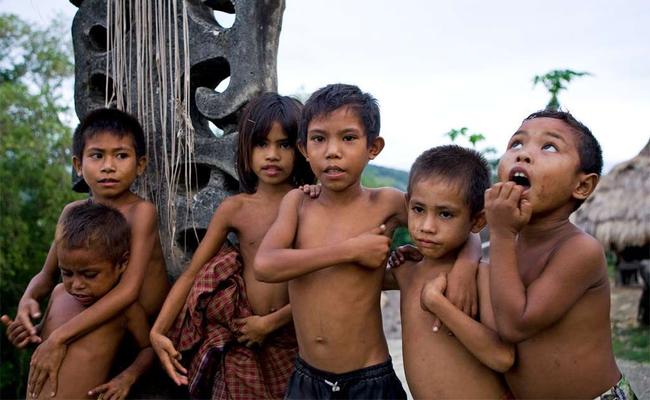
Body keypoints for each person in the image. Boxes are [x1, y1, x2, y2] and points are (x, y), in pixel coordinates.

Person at [254, 83, 481, 399]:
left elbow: (461, 225)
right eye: (319, 139)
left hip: (369, 380)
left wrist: (466, 268)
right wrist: (348, 251)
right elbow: (265, 265)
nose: (333, 151)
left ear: (373, 147)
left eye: (348, 138)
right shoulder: (298, 203)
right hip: (308, 379)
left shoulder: (385, 203)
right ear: (305, 149)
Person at [150, 93, 315, 399]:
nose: (272, 155)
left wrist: (270, 323)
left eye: (284, 144)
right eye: (262, 144)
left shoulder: (310, 204)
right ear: (246, 148)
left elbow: (321, 286)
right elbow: (191, 274)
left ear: (301, 149)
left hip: (294, 335)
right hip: (243, 337)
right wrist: (158, 331)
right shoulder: (236, 209)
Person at [4, 108, 170, 398]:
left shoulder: (141, 213)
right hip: (94, 306)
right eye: (97, 156)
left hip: (133, 320)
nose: (108, 166)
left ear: (140, 164)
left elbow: (129, 291)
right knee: (61, 293)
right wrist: (27, 303)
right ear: (78, 165)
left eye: (121, 156)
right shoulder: (73, 213)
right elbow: (46, 276)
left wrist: (58, 338)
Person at [485, 110, 637, 399]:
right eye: (516, 144)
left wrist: (501, 233)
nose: (524, 155)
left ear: (582, 186)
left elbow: (515, 324)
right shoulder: (509, 250)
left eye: (549, 147)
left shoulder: (580, 250)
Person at [391, 145, 513, 399]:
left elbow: (502, 357)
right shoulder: (406, 271)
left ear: (477, 221)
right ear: (407, 204)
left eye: (445, 214)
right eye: (418, 209)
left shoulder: (480, 277)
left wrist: (438, 304)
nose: (427, 227)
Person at [2, 202, 154, 400]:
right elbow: (45, 337)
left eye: (89, 275)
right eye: (67, 273)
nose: (76, 285)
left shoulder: (125, 309)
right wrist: (29, 334)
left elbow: (148, 349)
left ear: (122, 263)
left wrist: (126, 378)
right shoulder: (58, 294)